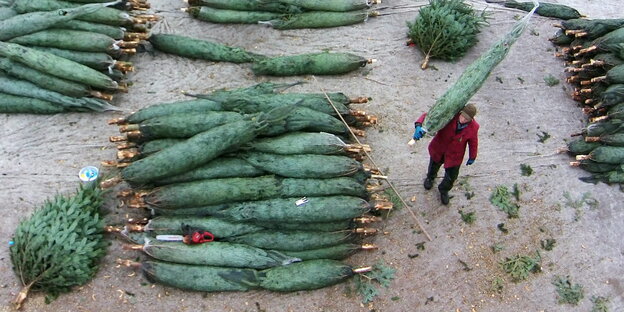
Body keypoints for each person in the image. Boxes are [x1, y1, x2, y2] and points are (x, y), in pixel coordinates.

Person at [412, 104, 479, 205]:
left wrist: (472, 156)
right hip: (439, 148)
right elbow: (428, 116)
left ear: (471, 119)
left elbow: (473, 142)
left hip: (455, 155)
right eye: (463, 116)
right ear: (460, 113)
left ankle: (444, 190)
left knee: (451, 176)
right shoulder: (449, 115)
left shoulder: (473, 127)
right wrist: (419, 125)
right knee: (433, 165)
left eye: (467, 119)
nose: (463, 119)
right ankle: (430, 177)